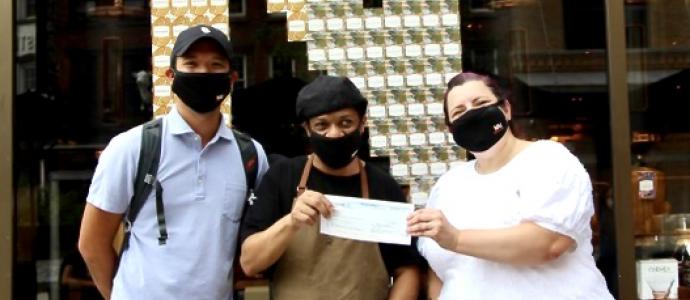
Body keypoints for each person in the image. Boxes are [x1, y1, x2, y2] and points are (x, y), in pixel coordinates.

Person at [78, 25, 269, 300]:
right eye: (191, 64)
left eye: (216, 65)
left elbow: (252, 245)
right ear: (171, 75)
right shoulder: (132, 147)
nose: (203, 73)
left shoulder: (251, 156)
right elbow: (92, 244)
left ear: (232, 78)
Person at [407, 72, 614, 299]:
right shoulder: (448, 185)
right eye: (459, 112)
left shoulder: (548, 159)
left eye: (481, 103)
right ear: (451, 129)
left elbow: (548, 243)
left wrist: (456, 239)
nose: (472, 114)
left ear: (506, 109)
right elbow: (440, 272)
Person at [239, 75, 421, 300]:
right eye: (322, 125)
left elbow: (407, 270)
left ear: (362, 124)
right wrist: (291, 222)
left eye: (345, 123)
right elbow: (250, 262)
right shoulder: (282, 177)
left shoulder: (383, 187)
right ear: (307, 129)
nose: (334, 133)